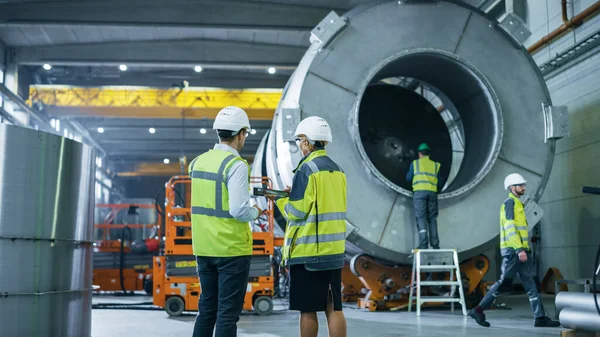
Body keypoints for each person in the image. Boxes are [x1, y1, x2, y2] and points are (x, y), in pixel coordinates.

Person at [189, 106, 264, 337]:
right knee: (227, 314)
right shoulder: (236, 165)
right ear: (241, 133)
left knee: (207, 309)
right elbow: (239, 210)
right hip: (231, 250)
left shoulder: (197, 162)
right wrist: (257, 211)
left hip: (203, 248)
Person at [269, 116, 347, 337]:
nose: (299, 146)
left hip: (309, 253)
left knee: (308, 310)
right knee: (334, 308)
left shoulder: (306, 169)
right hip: (334, 252)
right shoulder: (337, 169)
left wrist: (280, 199)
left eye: (299, 141)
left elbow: (297, 212)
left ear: (306, 141)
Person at [469, 173, 560, 328]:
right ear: (512, 188)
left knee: (532, 285)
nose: (523, 187)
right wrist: (519, 249)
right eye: (520, 185)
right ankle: (478, 309)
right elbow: (510, 229)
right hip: (514, 252)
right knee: (503, 282)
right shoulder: (510, 204)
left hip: (522, 251)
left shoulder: (518, 204)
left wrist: (524, 249)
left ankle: (540, 317)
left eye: (523, 185)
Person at [405, 143, 444, 249]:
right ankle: (435, 245)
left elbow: (408, 178)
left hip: (419, 193)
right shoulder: (435, 165)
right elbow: (440, 182)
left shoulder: (415, 164)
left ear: (419, 154)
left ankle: (424, 243)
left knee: (421, 218)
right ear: (429, 154)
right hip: (432, 193)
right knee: (432, 219)